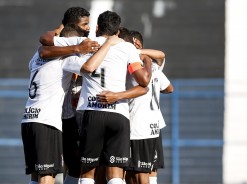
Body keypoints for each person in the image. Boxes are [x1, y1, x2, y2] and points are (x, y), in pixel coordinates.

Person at [21, 24, 122, 184]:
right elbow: (90, 67)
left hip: (30, 118)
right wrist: (108, 44)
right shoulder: (66, 59)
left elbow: (43, 48)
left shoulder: (36, 57)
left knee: (39, 172)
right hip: (50, 120)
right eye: (83, 27)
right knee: (49, 173)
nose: (87, 32)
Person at [76, 11, 152, 184]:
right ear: (118, 31)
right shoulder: (127, 48)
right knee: (115, 175)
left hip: (92, 112)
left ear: (97, 27)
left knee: (87, 174)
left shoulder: (86, 45)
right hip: (118, 113)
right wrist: (117, 95)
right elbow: (143, 82)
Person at [97, 29, 173, 184]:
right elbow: (169, 88)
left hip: (137, 127)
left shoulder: (133, 65)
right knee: (145, 174)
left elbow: (144, 84)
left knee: (136, 175)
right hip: (153, 126)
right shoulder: (151, 66)